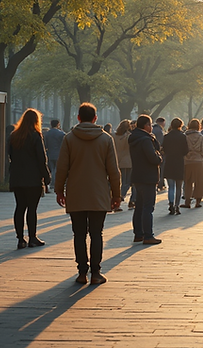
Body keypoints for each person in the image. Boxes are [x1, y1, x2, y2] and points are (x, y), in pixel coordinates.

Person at [55, 102, 122, 285]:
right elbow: (113, 170)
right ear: (95, 118)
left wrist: (59, 190)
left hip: (76, 193)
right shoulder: (106, 139)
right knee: (96, 233)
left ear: (78, 117)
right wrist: (116, 194)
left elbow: (62, 167)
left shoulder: (69, 139)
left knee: (78, 234)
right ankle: (96, 273)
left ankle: (81, 272)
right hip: (99, 193)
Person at [9, 108, 51, 249]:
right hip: (33, 178)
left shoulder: (14, 136)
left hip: (17, 177)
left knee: (20, 207)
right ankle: (33, 237)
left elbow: (11, 156)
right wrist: (46, 176)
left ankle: (20, 239)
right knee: (32, 209)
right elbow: (41, 159)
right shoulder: (35, 136)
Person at [129, 114, 163, 245]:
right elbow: (153, 158)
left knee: (140, 205)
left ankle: (138, 233)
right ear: (146, 126)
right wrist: (159, 157)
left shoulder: (134, 138)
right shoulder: (145, 140)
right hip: (148, 176)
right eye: (150, 124)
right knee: (148, 207)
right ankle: (148, 235)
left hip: (137, 175)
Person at [162, 118, 188, 215]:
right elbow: (186, 150)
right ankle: (177, 205)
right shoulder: (182, 136)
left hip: (169, 162)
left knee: (171, 186)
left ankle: (171, 204)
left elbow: (163, 148)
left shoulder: (167, 136)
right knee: (179, 187)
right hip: (179, 162)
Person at [182, 119, 203, 208]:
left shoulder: (185, 136)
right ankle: (198, 201)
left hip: (187, 161)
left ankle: (187, 201)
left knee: (188, 181)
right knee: (200, 181)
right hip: (198, 161)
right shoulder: (201, 136)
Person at [113, 120, 134, 210]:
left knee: (120, 182)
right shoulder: (129, 136)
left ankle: (117, 198)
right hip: (127, 161)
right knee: (127, 182)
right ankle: (120, 197)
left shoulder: (114, 136)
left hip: (117, 160)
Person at [44, 119, 66, 192]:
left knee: (52, 168)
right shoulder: (61, 134)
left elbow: (45, 145)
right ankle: (54, 183)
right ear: (58, 124)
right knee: (56, 169)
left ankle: (51, 182)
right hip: (59, 153)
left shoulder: (47, 133)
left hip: (50, 153)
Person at [153, 117, 167, 190]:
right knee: (161, 169)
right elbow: (161, 142)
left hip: (152, 151)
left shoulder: (152, 129)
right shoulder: (160, 131)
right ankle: (160, 184)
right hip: (159, 152)